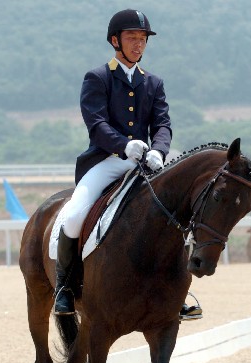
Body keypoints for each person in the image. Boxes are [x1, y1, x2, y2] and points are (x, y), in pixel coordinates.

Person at [54, 8, 202, 321]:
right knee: (75, 215)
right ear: (115, 41)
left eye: (142, 39)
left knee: (174, 214)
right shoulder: (98, 78)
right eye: (132, 37)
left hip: (146, 163)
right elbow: (95, 123)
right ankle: (65, 287)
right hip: (107, 161)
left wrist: (159, 150)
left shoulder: (154, 82)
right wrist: (124, 145)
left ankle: (177, 287)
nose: (138, 44)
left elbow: (163, 124)